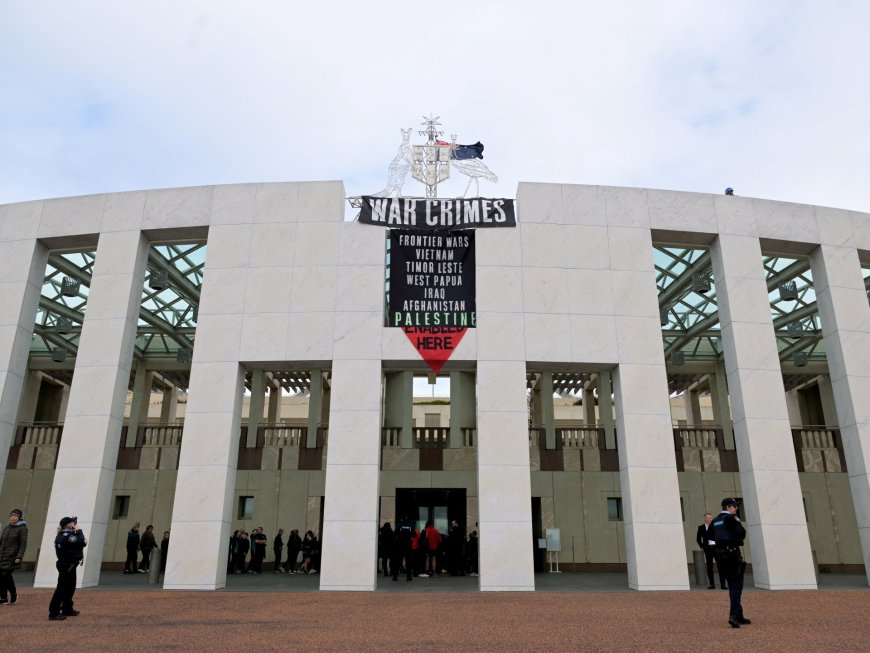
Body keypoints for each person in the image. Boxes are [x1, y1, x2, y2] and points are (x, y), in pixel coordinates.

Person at [711, 498, 750, 628]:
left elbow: (710, 536)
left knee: (732, 585)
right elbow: (742, 532)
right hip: (733, 554)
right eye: (734, 506)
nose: (736, 508)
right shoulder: (731, 519)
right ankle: (733, 615)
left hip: (721, 556)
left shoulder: (716, 520)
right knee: (737, 585)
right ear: (727, 507)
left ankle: (739, 615)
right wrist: (735, 539)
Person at [48, 516, 86, 621]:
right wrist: (79, 530)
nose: (74, 524)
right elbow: (82, 542)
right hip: (67, 565)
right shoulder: (67, 536)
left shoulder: (64, 535)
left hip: (69, 564)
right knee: (62, 588)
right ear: (67, 525)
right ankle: (54, 612)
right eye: (72, 523)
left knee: (70, 587)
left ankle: (67, 608)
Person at [0, 508, 28, 605]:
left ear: (19, 518)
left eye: (15, 516)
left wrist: (19, 557)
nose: (13, 518)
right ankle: (3, 597)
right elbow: (1, 542)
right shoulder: (7, 528)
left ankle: (14, 594)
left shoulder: (22, 528)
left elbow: (23, 544)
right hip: (2, 556)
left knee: (5, 575)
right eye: (11, 516)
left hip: (13, 557)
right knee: (2, 577)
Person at [696, 513, 726, 590]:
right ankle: (712, 584)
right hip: (708, 549)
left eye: (711, 518)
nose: (711, 519)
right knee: (709, 567)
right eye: (709, 518)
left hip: (716, 548)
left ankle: (723, 585)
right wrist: (703, 547)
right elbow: (698, 539)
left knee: (720, 566)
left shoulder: (716, 526)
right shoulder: (701, 527)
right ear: (705, 519)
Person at [392, 515, 413, 582]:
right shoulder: (410, 525)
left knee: (398, 561)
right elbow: (414, 534)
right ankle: (409, 576)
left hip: (400, 546)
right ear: (407, 519)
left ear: (401, 519)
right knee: (408, 562)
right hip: (408, 546)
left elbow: (394, 534)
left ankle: (395, 576)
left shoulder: (399, 525)